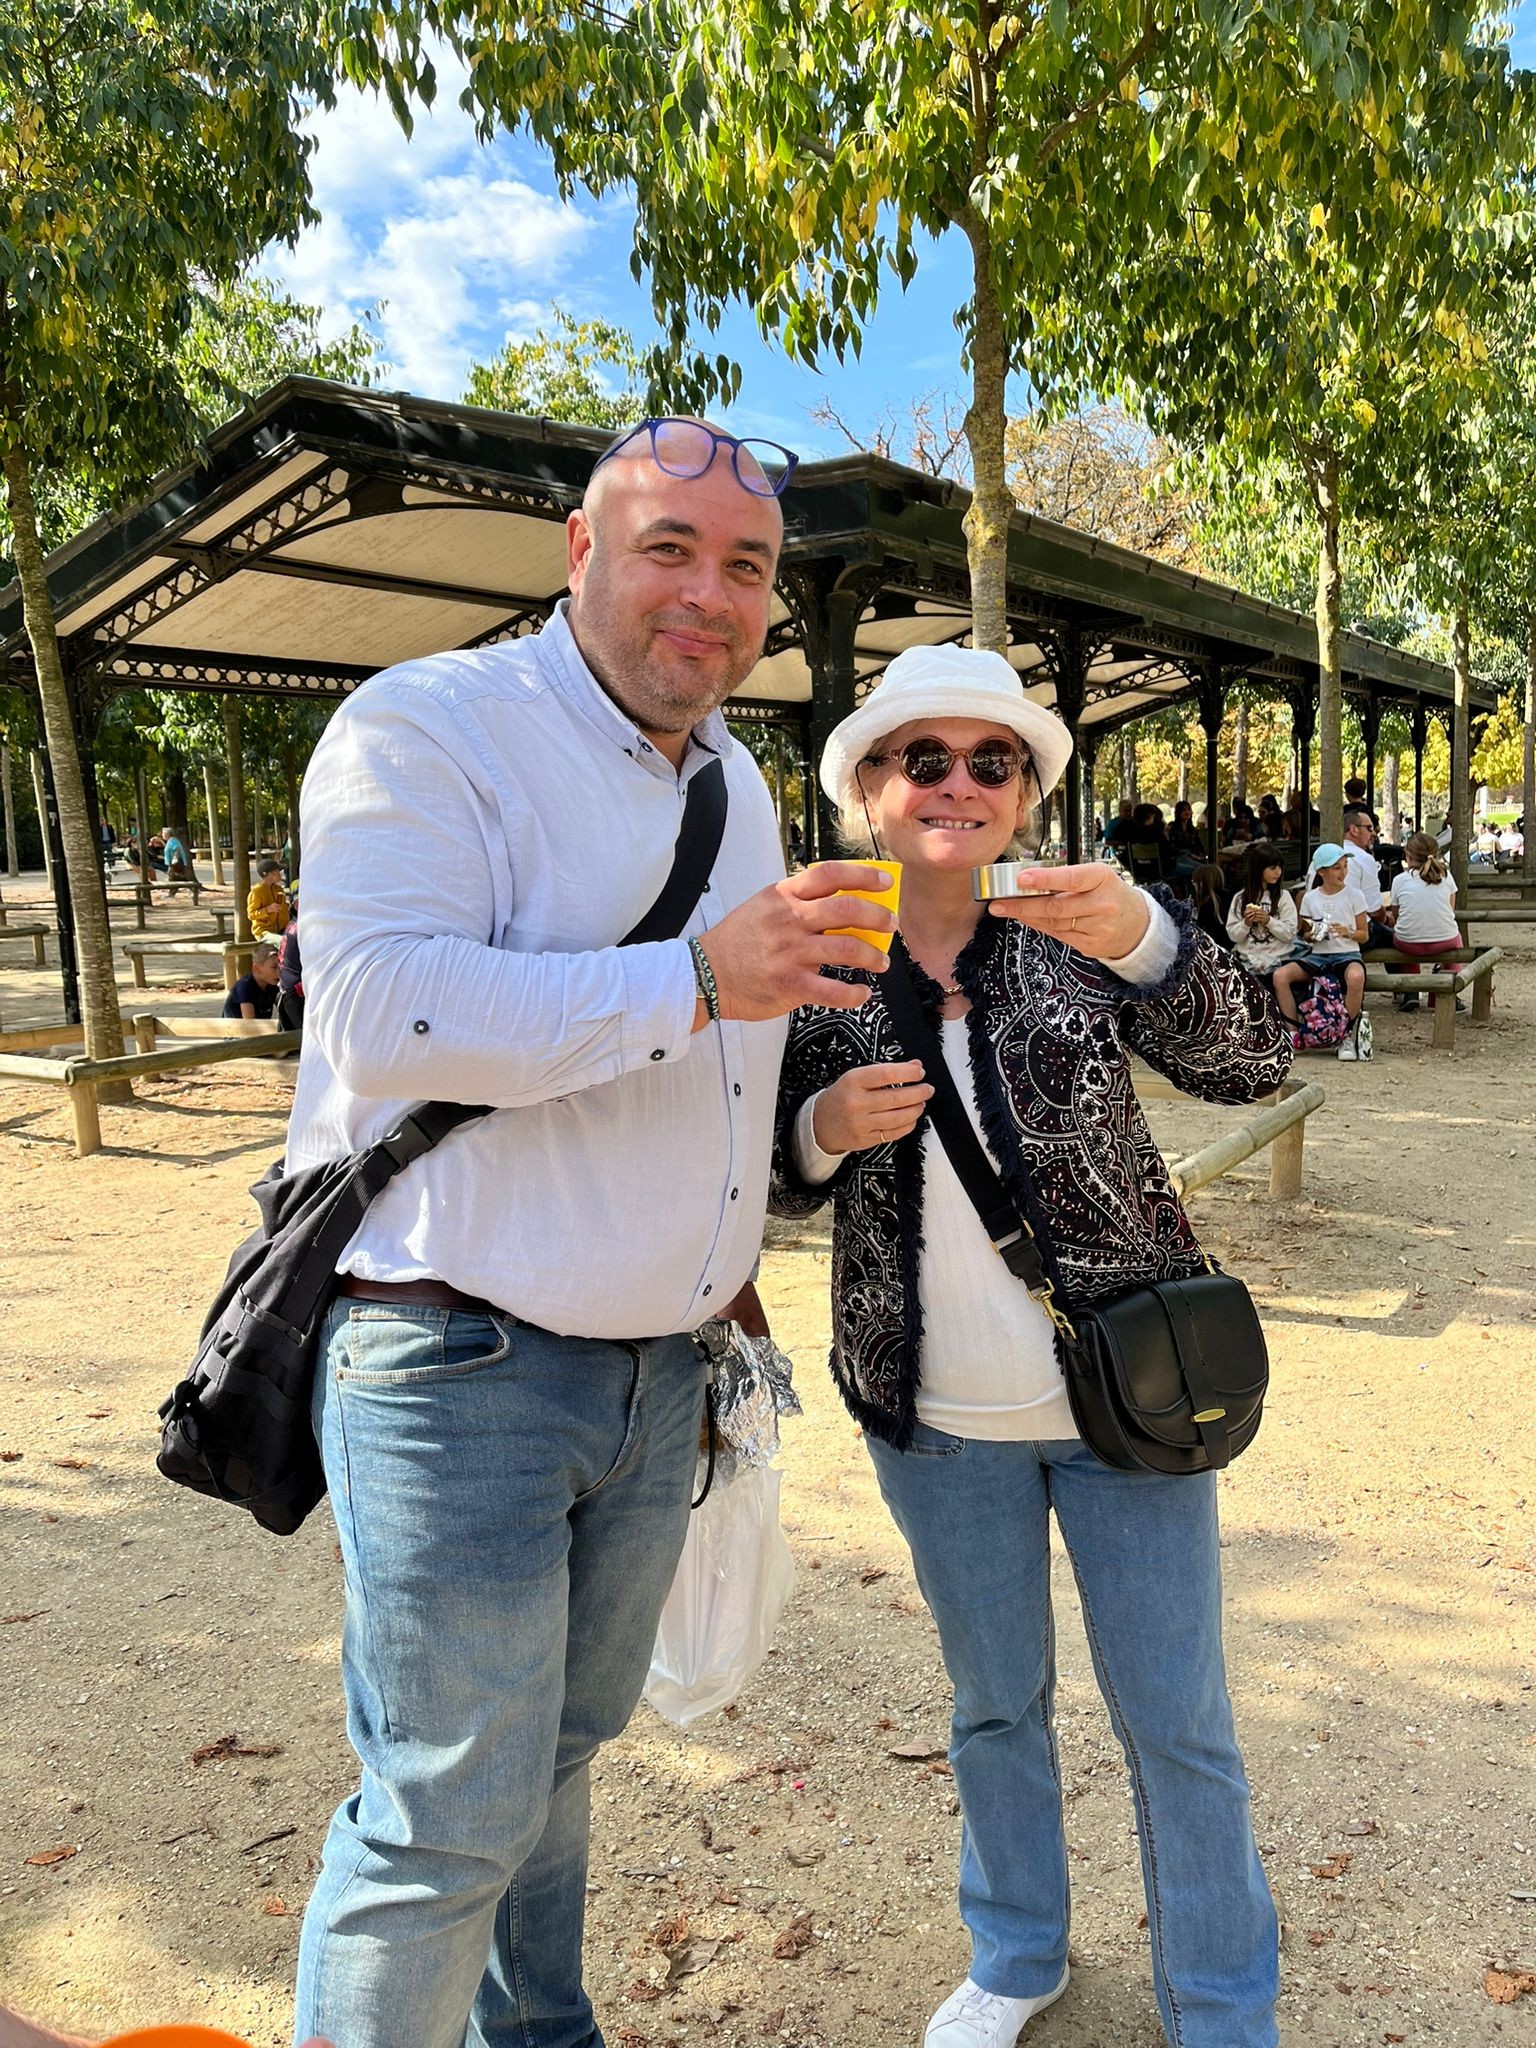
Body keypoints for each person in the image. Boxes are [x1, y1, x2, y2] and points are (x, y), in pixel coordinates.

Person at [283, 414, 897, 2048]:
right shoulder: (426, 726)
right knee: (439, 1821)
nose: (708, 592)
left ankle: (539, 2032)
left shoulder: (740, 785)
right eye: (668, 547)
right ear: (580, 553)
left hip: (654, 1374)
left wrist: (742, 1243)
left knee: (555, 1755)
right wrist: (700, 975)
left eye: (745, 564)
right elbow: (381, 1013)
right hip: (453, 1357)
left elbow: (716, 1072)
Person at [771, 644, 1292, 2048]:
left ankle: (1224, 2004)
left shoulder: (1086, 922)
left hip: (1131, 1396)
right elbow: (764, 1165)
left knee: (1179, 1724)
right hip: (934, 1415)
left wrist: (1153, 940)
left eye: (991, 760)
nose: (957, 782)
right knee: (996, 1704)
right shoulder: (814, 959)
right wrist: (823, 1132)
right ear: (867, 789)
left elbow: (1255, 1062)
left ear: (1024, 790)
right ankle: (1015, 1957)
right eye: (919, 758)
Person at [1274, 844, 1369, 1059]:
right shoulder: (1310, 898)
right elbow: (1306, 933)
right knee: (1281, 976)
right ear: (1321, 872)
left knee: (1356, 976)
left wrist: (1349, 933)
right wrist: (1312, 935)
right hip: (1318, 955)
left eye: (1344, 867)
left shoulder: (1354, 895)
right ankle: (1294, 1032)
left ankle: (1344, 1035)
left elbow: (1364, 935)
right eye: (1336, 868)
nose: (1342, 872)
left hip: (1347, 953)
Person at [1386, 832, 1462, 1010]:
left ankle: (1411, 989)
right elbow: (1450, 910)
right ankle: (1445, 990)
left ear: (1408, 855)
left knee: (1405, 934)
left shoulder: (1399, 880)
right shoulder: (1446, 876)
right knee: (1456, 940)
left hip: (1409, 943)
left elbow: (1397, 915)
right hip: (1445, 940)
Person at [1309, 805, 1391, 948]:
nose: (1374, 834)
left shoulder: (1320, 857)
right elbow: (1375, 911)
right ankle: (1406, 971)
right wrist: (1389, 920)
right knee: (1397, 938)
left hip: (1322, 930)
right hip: (1351, 932)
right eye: (1369, 828)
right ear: (1354, 830)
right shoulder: (1363, 859)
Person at [1224, 841, 1298, 981]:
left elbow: (1290, 933)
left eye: (1280, 867)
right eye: (1272, 868)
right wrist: (1245, 923)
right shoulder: (1240, 898)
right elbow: (1233, 936)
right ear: (1258, 869)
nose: (1278, 872)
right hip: (1248, 963)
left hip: (1280, 962)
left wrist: (1268, 920)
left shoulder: (1283, 897)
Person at [221, 942, 281, 1019]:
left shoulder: (272, 984)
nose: (279, 972)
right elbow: (250, 1022)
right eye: (274, 967)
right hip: (237, 1029)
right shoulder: (244, 987)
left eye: (280, 966)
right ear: (257, 968)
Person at [1189, 861, 1232, 947]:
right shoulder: (1229, 896)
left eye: (1194, 882)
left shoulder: (1207, 906)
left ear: (1201, 884)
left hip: (1218, 946)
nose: (1194, 885)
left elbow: (1200, 931)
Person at [277, 900, 304, 1034]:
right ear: (296, 905)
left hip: (287, 989)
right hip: (295, 992)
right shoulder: (301, 928)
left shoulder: (293, 925)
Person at [246, 857, 289, 938]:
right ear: (270, 874)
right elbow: (251, 915)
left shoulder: (279, 889)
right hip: (264, 932)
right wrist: (267, 910)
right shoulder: (257, 892)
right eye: (278, 871)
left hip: (282, 930)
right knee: (283, 942)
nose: (280, 874)